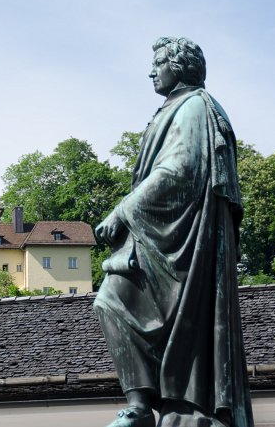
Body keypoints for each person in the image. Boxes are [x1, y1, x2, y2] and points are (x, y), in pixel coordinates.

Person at [94, 37, 254, 427]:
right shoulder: (178, 108)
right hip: (164, 240)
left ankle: (148, 407)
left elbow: (179, 169)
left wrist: (123, 209)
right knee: (109, 303)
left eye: (159, 63)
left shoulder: (194, 106)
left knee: (111, 299)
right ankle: (139, 405)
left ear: (179, 67)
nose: (151, 70)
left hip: (182, 247)